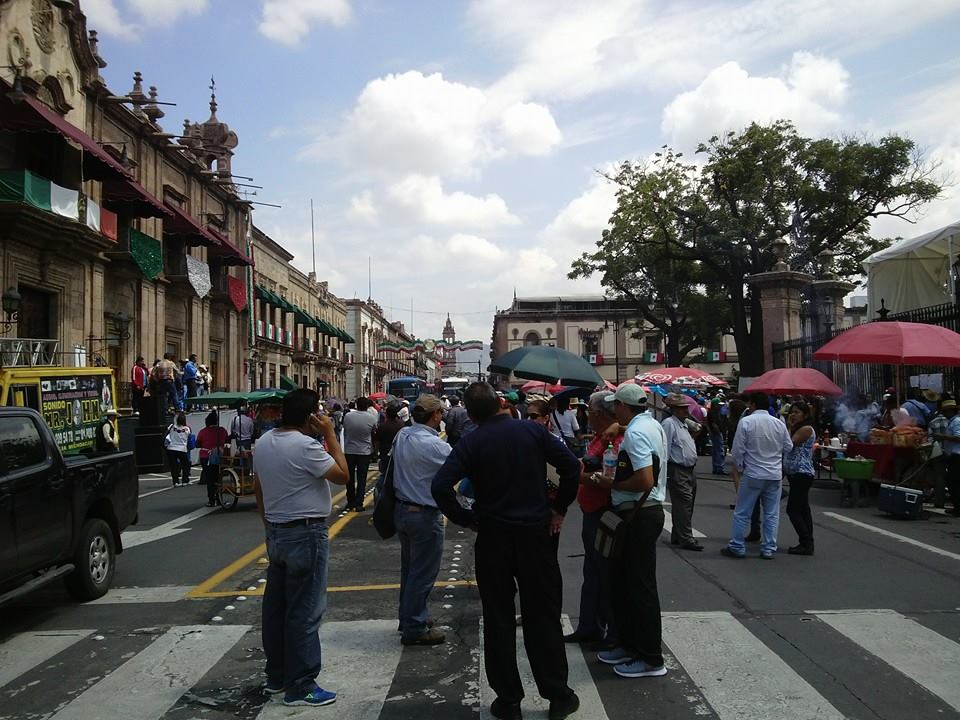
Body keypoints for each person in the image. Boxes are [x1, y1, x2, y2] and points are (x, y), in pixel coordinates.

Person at [432, 383, 581, 720]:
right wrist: (559, 508)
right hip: (535, 534)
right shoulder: (531, 430)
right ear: (501, 403)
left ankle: (509, 699)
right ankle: (557, 694)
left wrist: (466, 519)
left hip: (493, 535)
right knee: (542, 615)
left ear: (470, 414)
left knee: (498, 618)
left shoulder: (471, 441)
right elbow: (572, 467)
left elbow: (440, 486)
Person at [252, 388, 349, 707]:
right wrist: (331, 435)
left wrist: (269, 525)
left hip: (277, 532)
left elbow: (259, 488)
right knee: (305, 610)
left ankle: (277, 676)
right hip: (306, 533)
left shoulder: (264, 442)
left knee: (276, 609)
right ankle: (302, 684)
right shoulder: (307, 446)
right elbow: (342, 476)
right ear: (310, 417)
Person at [590, 384, 668, 680]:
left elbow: (644, 479)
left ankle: (650, 658)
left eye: (616, 406)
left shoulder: (635, 434)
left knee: (640, 588)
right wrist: (616, 426)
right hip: (646, 511)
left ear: (623, 406)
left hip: (638, 513)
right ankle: (630, 645)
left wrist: (609, 484)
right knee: (626, 584)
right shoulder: (652, 425)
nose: (613, 410)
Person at [564, 390, 622, 646]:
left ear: (596, 413)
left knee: (604, 573)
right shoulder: (602, 435)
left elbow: (611, 476)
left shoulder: (615, 439)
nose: (585, 414)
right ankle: (589, 626)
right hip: (591, 510)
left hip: (603, 512)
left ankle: (610, 631)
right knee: (592, 572)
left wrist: (583, 476)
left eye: (588, 410)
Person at [393, 395, 451, 646]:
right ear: (435, 415)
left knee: (410, 570)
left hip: (403, 511)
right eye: (441, 413)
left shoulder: (403, 435)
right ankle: (414, 627)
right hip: (424, 514)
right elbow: (461, 467)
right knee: (423, 573)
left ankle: (408, 617)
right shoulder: (435, 445)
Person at [723, 391, 793, 559]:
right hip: (774, 475)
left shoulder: (746, 422)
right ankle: (768, 548)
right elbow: (788, 447)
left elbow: (738, 450)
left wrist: (739, 468)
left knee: (742, 511)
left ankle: (737, 546)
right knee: (771, 513)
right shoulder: (778, 423)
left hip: (753, 473)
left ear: (752, 404)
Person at [662, 393, 702, 551]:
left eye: (686, 408)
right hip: (677, 469)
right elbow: (665, 449)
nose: (686, 410)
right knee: (683, 504)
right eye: (682, 408)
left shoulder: (684, 423)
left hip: (689, 469)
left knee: (687, 504)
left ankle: (678, 535)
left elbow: (699, 429)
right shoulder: (669, 424)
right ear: (674, 410)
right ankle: (686, 538)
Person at [784, 400, 817, 555]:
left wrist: (789, 426)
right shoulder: (798, 428)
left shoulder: (806, 429)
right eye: (792, 411)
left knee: (793, 509)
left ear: (805, 414)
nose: (793, 415)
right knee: (803, 509)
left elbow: (789, 444)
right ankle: (807, 542)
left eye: (797, 412)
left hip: (802, 473)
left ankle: (806, 541)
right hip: (795, 473)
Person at [342, 396, 378, 511]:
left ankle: (350, 501)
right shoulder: (371, 418)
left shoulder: (348, 416)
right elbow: (374, 432)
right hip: (364, 451)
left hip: (350, 450)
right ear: (367, 406)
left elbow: (345, 430)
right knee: (362, 479)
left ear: (357, 405)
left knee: (350, 478)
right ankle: (359, 503)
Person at [930, 399, 960, 515]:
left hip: (956, 455)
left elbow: (958, 438)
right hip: (953, 454)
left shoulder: (956, 421)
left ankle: (958, 507)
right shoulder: (952, 421)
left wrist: (942, 436)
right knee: (953, 481)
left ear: (950, 411)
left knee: (954, 482)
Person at [196, 411, 229, 507]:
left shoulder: (203, 431)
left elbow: (197, 444)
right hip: (219, 456)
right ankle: (219, 499)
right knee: (219, 478)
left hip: (206, 457)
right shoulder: (222, 430)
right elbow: (227, 440)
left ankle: (211, 500)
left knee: (210, 479)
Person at [375, 403, 406, 497]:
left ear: (387, 414)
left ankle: (383, 495)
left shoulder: (382, 426)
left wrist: (376, 453)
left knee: (385, 476)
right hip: (399, 453)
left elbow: (377, 441)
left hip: (385, 453)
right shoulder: (401, 425)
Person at [165, 412, 192, 487]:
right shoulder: (187, 428)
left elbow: (167, 433)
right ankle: (185, 480)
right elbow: (189, 436)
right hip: (182, 449)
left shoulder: (172, 426)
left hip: (171, 448)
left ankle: (175, 482)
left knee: (174, 466)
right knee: (185, 465)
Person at [707, 399, 727, 475]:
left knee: (716, 450)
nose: (720, 406)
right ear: (715, 405)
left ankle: (716, 467)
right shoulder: (713, 413)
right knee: (720, 450)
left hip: (714, 433)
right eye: (719, 405)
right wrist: (719, 432)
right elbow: (714, 424)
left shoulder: (713, 412)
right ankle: (719, 467)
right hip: (716, 433)